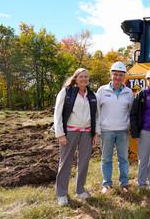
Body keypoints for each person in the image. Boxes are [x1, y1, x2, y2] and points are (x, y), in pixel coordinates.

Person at [53, 68, 100, 206]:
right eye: (81, 76)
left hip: (87, 132)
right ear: (75, 78)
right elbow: (57, 113)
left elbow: (97, 115)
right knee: (65, 162)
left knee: (84, 162)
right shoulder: (66, 92)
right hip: (70, 132)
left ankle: (80, 190)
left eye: (86, 77)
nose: (84, 79)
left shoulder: (92, 95)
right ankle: (61, 193)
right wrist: (60, 134)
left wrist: (96, 133)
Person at [96, 61, 134, 194]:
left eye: (121, 75)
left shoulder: (129, 92)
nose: (118, 77)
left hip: (122, 131)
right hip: (106, 131)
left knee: (123, 158)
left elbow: (131, 112)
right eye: (115, 74)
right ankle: (106, 184)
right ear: (111, 75)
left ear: (124, 76)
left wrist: (129, 127)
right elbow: (96, 111)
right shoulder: (102, 90)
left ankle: (124, 184)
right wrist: (97, 130)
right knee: (106, 158)